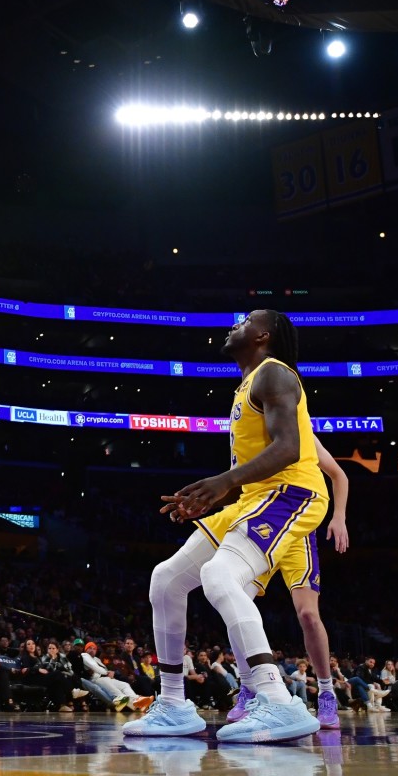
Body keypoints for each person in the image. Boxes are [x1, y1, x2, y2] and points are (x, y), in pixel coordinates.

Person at [125, 310, 324, 743]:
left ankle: (277, 700)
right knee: (166, 580)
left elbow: (289, 449)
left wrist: (224, 482)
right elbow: (253, 467)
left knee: (219, 574)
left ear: (263, 335)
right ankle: (175, 704)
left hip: (293, 492)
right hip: (255, 498)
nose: (235, 325)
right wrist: (211, 496)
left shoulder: (275, 374)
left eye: (245, 321)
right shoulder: (248, 383)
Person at [226, 436, 350, 730]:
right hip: (261, 527)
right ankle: (248, 686)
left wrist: (340, 516)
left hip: (296, 531)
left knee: (308, 614)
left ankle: (326, 690)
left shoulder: (300, 431)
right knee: (234, 598)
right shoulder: (252, 429)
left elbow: (338, 474)